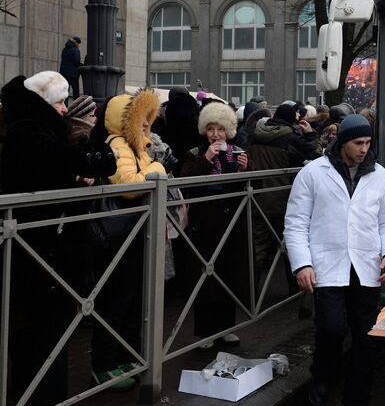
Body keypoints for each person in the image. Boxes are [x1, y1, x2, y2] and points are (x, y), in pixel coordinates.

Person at [0, 71, 117, 405]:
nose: (65, 110)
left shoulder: (35, 131)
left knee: (46, 344)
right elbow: (88, 162)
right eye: (60, 102)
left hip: (45, 252)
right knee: (39, 345)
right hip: (37, 254)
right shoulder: (28, 133)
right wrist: (94, 147)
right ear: (43, 104)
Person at [284, 114, 385, 406]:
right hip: (327, 266)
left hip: (367, 267)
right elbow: (296, 222)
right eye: (358, 142)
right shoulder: (312, 173)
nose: (364, 148)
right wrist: (302, 263)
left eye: (368, 142)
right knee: (331, 330)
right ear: (342, 142)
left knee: (367, 337)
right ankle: (320, 386)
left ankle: (358, 395)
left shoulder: (380, 176)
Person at [90, 88, 167, 390]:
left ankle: (128, 355)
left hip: (133, 229)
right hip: (118, 232)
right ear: (125, 120)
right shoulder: (118, 144)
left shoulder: (137, 145)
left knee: (133, 296)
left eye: (149, 117)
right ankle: (105, 364)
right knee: (115, 298)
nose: (147, 124)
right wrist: (158, 167)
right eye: (140, 118)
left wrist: (150, 166)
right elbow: (130, 186)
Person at [181, 102, 249, 351]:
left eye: (220, 129)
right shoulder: (194, 152)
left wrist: (244, 169)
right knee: (204, 276)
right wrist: (206, 159)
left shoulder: (238, 151)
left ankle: (226, 328)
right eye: (211, 129)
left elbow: (249, 189)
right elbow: (186, 182)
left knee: (227, 275)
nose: (216, 134)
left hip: (230, 221)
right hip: (203, 222)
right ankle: (205, 332)